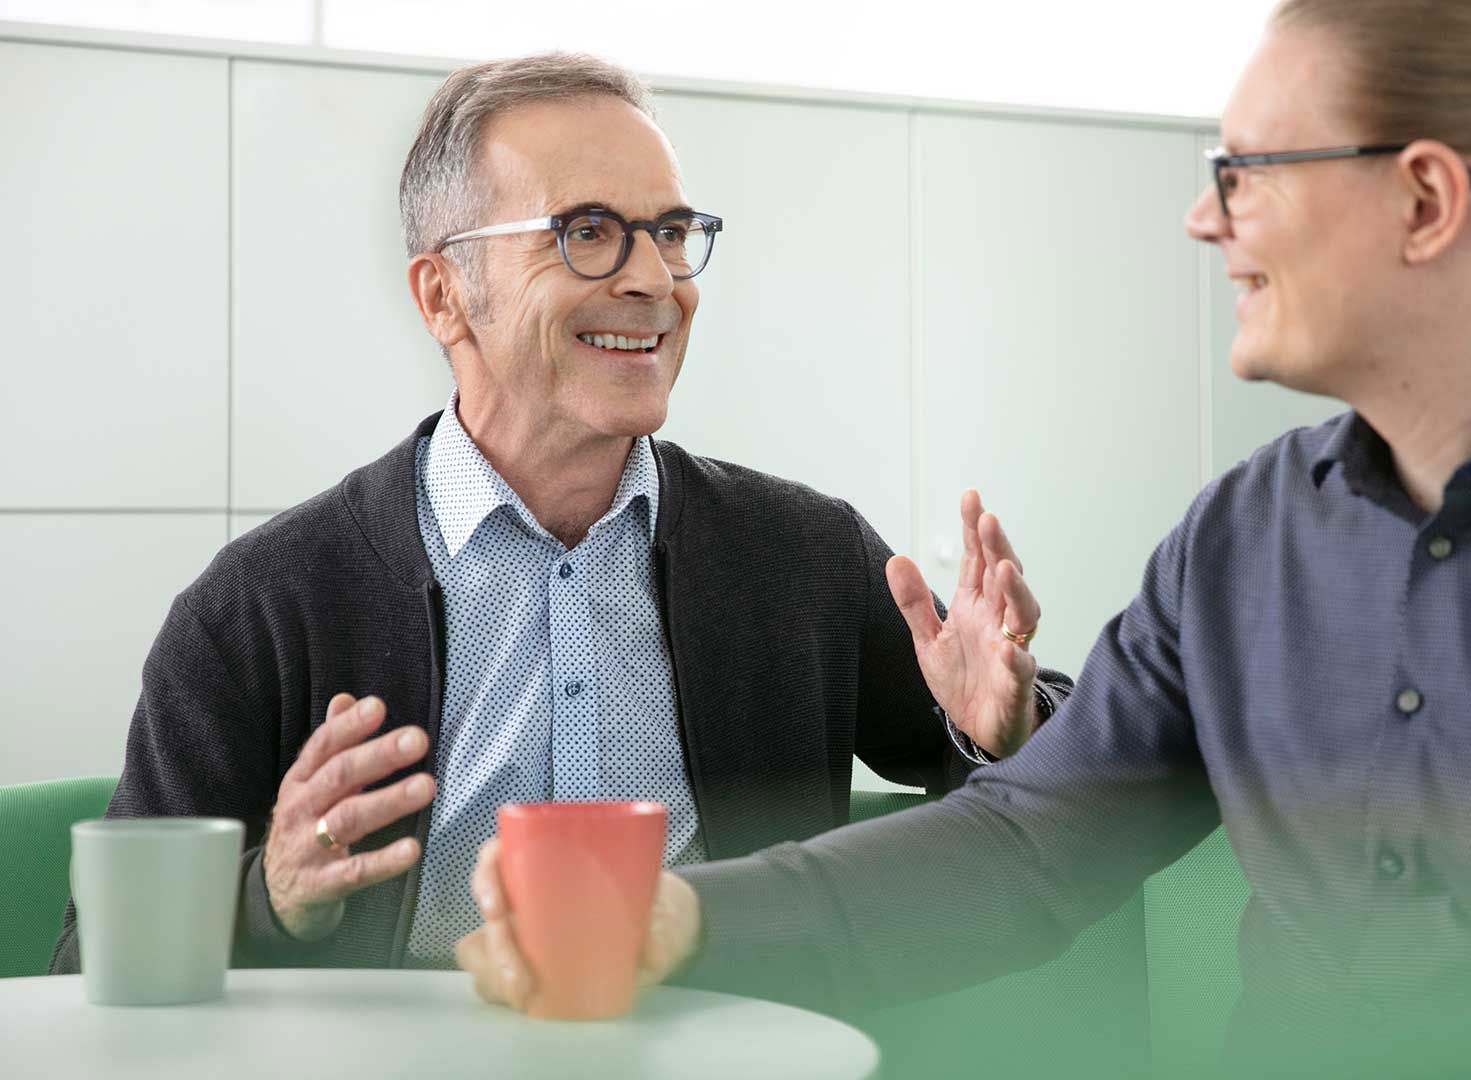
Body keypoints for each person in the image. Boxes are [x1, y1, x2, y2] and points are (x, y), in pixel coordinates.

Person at [458, 0, 1471, 1062]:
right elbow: (1028, 848)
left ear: (1424, 198)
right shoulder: (1241, 543)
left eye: (1246, 173)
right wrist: (682, 921)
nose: (1205, 222)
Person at [50, 53, 1070, 973]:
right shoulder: (262, 606)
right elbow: (94, 967)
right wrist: (273, 900)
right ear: (444, 296)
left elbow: (1053, 804)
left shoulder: (803, 558)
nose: (655, 281)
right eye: (587, 233)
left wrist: (1007, 729)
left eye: (671, 233)